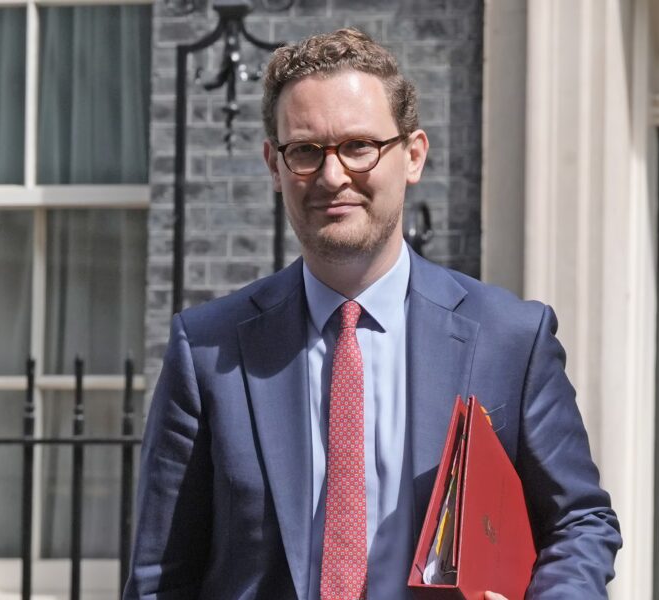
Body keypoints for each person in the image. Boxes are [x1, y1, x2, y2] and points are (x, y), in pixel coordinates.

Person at [124, 28, 621, 600]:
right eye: (306, 151)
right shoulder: (209, 350)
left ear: (413, 155)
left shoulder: (510, 339)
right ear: (274, 165)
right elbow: (160, 577)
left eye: (359, 146)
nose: (333, 176)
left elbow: (579, 522)